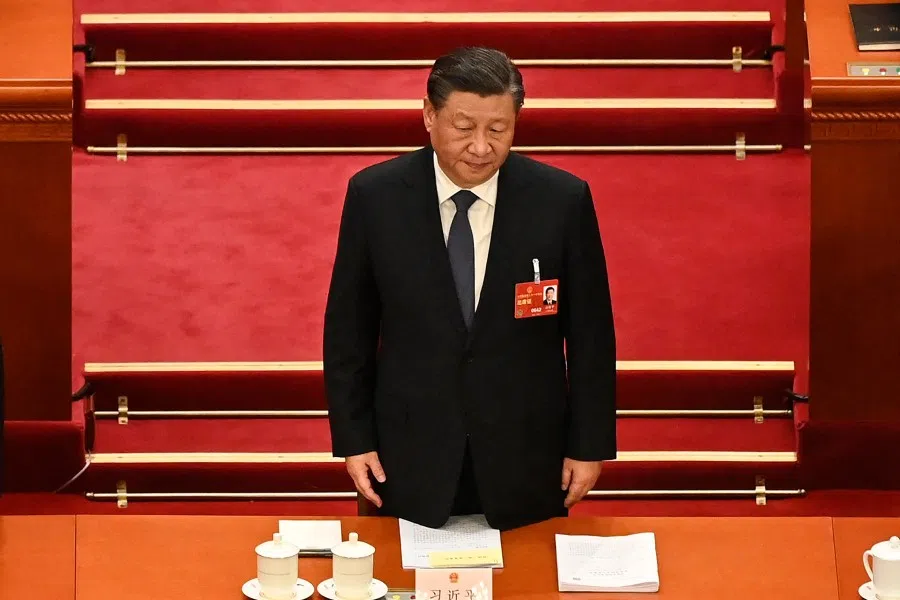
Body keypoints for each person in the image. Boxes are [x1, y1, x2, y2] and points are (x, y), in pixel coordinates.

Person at [323, 46, 616, 531]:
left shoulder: (560, 200)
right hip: (407, 455)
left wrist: (588, 446)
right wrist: (354, 439)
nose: (481, 147)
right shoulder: (375, 197)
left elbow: (590, 335)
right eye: (464, 128)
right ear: (429, 115)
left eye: (498, 130)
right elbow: (348, 332)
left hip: (526, 455)